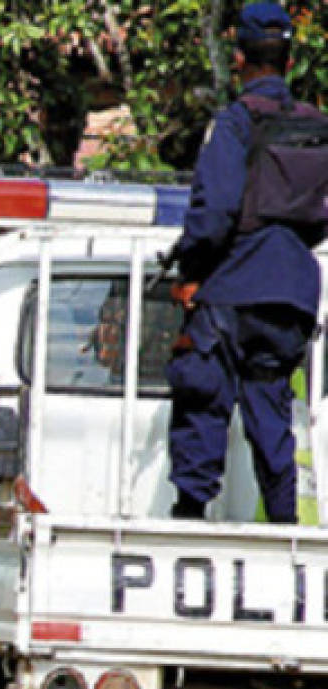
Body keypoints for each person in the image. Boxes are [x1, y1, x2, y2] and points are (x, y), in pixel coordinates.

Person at [166, 2, 327, 523]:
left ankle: (189, 520)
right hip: (293, 296)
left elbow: (213, 214)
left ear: (239, 59)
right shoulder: (316, 128)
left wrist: (191, 272)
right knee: (271, 414)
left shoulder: (235, 124)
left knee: (202, 396)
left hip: (232, 289)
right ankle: (285, 533)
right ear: (288, 60)